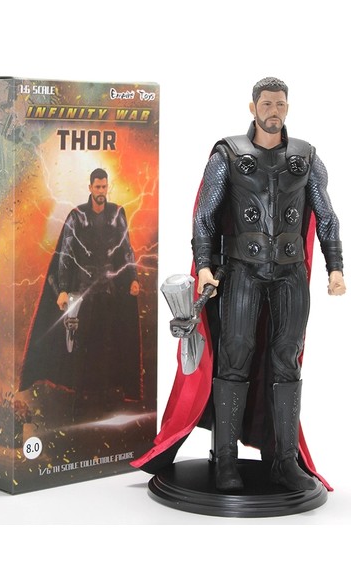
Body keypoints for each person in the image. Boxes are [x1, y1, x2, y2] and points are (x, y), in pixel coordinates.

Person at [132, 77, 345, 492]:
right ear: (253, 108)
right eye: (266, 104)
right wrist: (204, 266)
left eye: (280, 104)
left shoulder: (307, 157)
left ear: (287, 107)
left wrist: (334, 267)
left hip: (290, 273)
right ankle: (225, 461)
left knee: (287, 359)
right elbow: (205, 216)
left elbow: (326, 215)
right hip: (242, 272)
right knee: (234, 356)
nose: (273, 111)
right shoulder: (227, 154)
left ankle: (284, 461)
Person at [19, 168, 142, 417]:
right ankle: (80, 398)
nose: (101, 191)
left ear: (107, 187)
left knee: (107, 345)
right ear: (90, 188)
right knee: (80, 346)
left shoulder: (117, 213)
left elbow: (127, 249)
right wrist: (63, 289)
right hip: (82, 292)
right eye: (97, 187)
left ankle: (105, 396)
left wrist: (132, 278)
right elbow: (65, 254)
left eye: (104, 187)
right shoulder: (76, 216)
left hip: (108, 291)